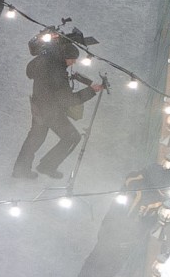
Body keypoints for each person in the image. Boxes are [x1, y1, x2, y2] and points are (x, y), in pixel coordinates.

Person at [12, 36, 103, 178]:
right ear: (64, 57)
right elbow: (68, 100)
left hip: (38, 106)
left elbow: (30, 71)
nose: (73, 62)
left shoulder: (46, 61)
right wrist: (91, 91)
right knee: (72, 137)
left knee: (35, 138)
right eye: (72, 59)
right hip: (50, 111)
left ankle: (21, 170)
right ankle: (47, 166)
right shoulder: (58, 74)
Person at [76, 173, 154, 277]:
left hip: (109, 230)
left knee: (97, 258)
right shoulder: (146, 198)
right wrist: (128, 240)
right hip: (119, 238)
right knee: (107, 266)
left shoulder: (135, 180)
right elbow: (135, 222)